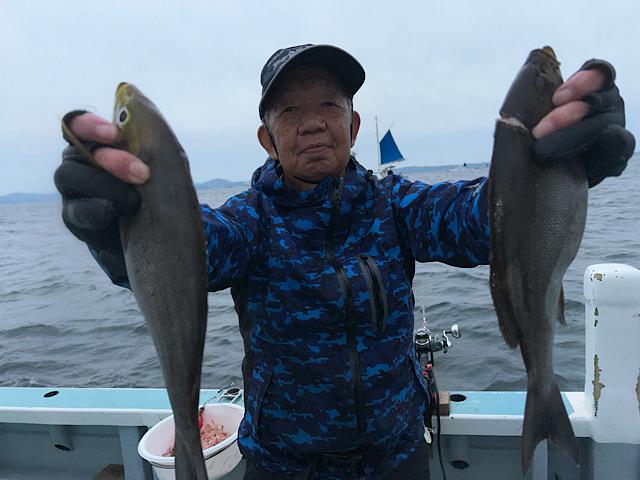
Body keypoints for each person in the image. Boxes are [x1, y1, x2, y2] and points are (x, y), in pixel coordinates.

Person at [54, 44, 635, 479]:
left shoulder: (396, 205)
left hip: (397, 458)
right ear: (267, 139)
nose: (312, 122)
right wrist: (120, 224)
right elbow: (184, 256)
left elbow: (483, 221)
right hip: (284, 465)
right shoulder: (248, 222)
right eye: (290, 111)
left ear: (353, 126)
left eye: (329, 105)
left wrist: (551, 167)